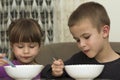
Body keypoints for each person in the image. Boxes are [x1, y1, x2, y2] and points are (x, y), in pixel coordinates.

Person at [41, 1, 120, 80]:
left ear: (105, 32)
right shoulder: (78, 60)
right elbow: (45, 72)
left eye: (86, 37)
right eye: (77, 40)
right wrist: (56, 71)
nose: (81, 44)